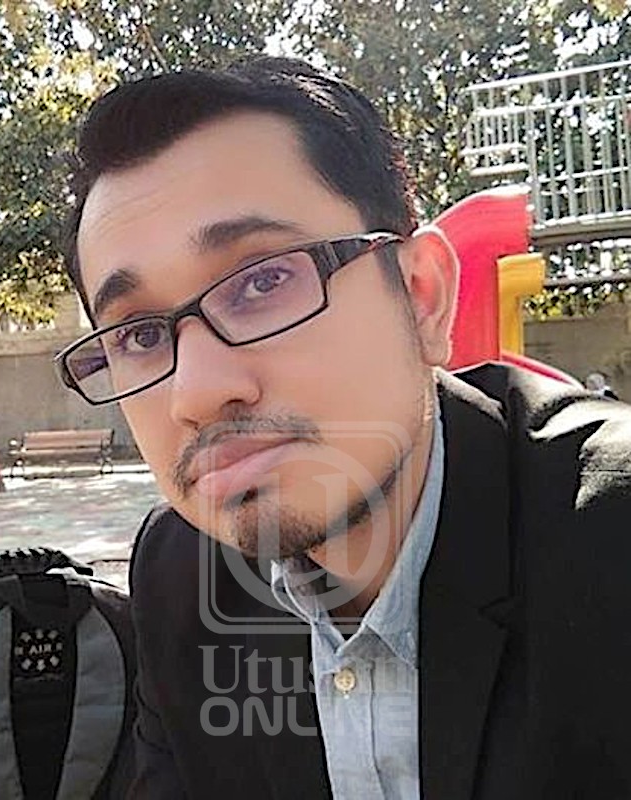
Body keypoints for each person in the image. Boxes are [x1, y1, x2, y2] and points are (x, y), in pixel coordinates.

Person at [56, 57, 631, 800]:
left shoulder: (609, 537)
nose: (194, 394)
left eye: (263, 281)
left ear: (421, 297)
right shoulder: (179, 574)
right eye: (138, 335)